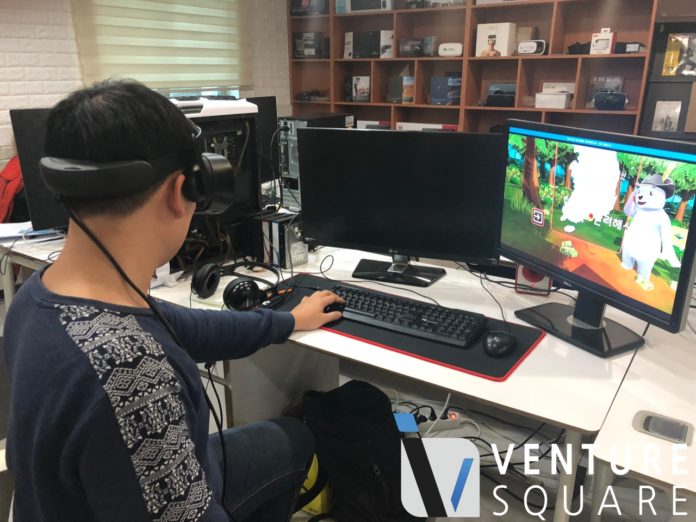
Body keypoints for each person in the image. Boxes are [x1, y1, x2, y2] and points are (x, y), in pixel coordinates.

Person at [4, 80, 345, 521]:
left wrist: (289, 320)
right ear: (181, 189)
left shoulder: (41, 295)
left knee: (290, 440)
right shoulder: (132, 374)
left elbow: (187, 326)